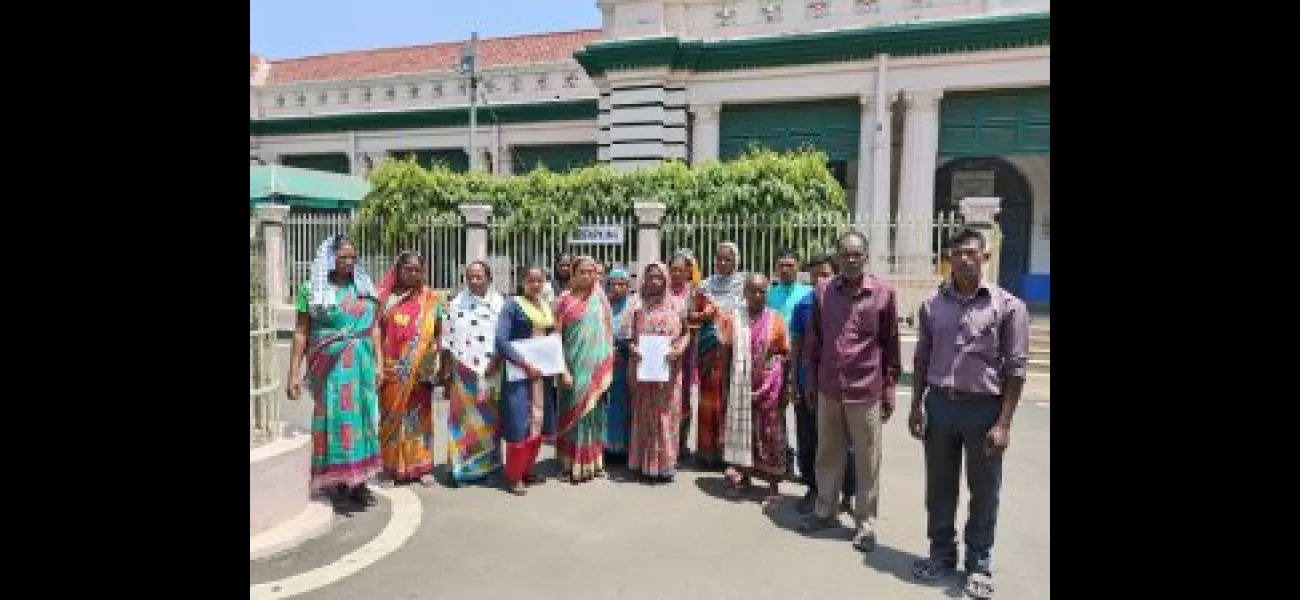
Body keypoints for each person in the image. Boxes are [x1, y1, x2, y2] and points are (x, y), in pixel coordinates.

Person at [908, 227, 1029, 600]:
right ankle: (941, 554)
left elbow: (1016, 369)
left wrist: (1004, 422)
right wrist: (916, 405)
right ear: (949, 257)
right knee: (940, 487)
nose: (963, 259)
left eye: (971, 253)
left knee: (984, 490)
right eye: (957, 253)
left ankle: (978, 563)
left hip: (984, 409)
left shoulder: (1008, 307)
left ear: (985, 257)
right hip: (940, 405)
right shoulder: (932, 305)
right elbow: (922, 358)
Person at [799, 231, 901, 556]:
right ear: (838, 257)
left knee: (868, 458)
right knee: (827, 452)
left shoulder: (883, 294)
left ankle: (865, 523)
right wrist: (811, 382)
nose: (851, 259)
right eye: (845, 254)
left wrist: (889, 390)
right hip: (829, 386)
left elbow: (891, 345)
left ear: (866, 257)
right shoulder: (823, 292)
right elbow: (814, 341)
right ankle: (825, 511)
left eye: (857, 254)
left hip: (866, 388)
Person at [286, 234, 382, 507]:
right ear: (329, 258)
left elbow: (374, 327)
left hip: (361, 365)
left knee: (363, 419)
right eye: (342, 257)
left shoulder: (364, 287)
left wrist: (379, 361)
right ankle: (336, 481)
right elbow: (301, 332)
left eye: (353, 257)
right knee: (334, 420)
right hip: (329, 367)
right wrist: (293, 373)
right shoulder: (311, 290)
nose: (348, 262)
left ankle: (359, 481)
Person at [789, 254, 855, 514]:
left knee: (845, 444)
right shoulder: (803, 306)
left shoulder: (847, 304)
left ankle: (848, 494)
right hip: (808, 385)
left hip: (840, 387)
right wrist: (794, 381)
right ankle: (813, 489)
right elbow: (796, 346)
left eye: (825, 274)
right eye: (815, 274)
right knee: (809, 440)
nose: (819, 279)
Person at [375, 251, 443, 487]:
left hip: (420, 369)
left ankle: (421, 466)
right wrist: (377, 364)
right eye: (408, 269)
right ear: (399, 270)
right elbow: (374, 332)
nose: (413, 274)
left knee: (419, 418)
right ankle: (388, 468)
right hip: (392, 369)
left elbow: (439, 332)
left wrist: (435, 364)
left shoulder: (431, 298)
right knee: (390, 418)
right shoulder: (384, 298)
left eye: (417, 270)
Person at [722, 273, 790, 500]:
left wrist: (782, 388)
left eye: (762, 291)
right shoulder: (734, 319)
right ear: (745, 293)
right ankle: (740, 476)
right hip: (740, 385)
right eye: (753, 290)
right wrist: (725, 386)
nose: (758, 295)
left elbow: (784, 353)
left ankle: (772, 483)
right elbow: (726, 354)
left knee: (770, 434)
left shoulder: (776, 319)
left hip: (768, 387)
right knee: (743, 433)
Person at [439, 261, 506, 486]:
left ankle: (489, 467)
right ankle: (462, 469)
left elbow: (504, 336)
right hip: (463, 372)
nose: (474, 281)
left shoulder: (499, 304)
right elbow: (447, 340)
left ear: (488, 278)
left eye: (479, 276)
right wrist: (447, 370)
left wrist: (497, 359)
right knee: (463, 421)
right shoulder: (456, 304)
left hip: (492, 370)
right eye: (470, 277)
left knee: (490, 420)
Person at [494, 265, 559, 495]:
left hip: (542, 374)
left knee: (538, 423)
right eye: (531, 280)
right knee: (519, 423)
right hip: (519, 374)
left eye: (539, 281)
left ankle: (528, 470)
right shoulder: (511, 305)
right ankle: (514, 476)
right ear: (521, 281)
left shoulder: (545, 306)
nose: (535, 285)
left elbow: (551, 336)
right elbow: (501, 340)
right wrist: (525, 364)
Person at [622, 261, 689, 482]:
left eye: (659, 277)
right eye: (650, 276)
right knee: (643, 414)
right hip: (643, 370)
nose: (654, 281)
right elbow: (629, 337)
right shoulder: (636, 304)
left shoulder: (678, 304)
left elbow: (687, 333)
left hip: (669, 370)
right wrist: (634, 350)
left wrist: (678, 349)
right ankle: (643, 463)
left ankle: (665, 465)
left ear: (666, 279)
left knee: (666, 415)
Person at [554, 256, 616, 483]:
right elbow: (556, 338)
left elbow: (609, 333)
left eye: (592, 272)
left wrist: (607, 362)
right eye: (583, 272)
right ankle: (570, 464)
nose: (588, 276)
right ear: (574, 273)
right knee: (573, 415)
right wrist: (563, 371)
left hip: (596, 367)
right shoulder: (563, 301)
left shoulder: (600, 300)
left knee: (593, 415)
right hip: (572, 366)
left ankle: (592, 462)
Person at [694, 241, 744, 469]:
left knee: (728, 400)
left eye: (728, 259)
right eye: (719, 258)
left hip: (732, 351)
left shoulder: (742, 286)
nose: (722, 263)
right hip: (708, 348)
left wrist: (726, 320)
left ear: (735, 261)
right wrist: (704, 316)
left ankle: (727, 453)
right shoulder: (704, 286)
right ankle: (706, 452)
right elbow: (692, 316)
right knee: (707, 401)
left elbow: (745, 317)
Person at [667, 250, 701, 462]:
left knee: (685, 396)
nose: (677, 274)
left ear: (688, 271)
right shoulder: (664, 291)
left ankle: (682, 443)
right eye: (674, 270)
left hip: (688, 351)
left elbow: (697, 322)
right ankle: (667, 441)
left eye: (681, 270)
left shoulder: (694, 292)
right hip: (665, 351)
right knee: (667, 396)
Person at [603, 268, 636, 461]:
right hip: (605, 362)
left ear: (627, 286)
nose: (617, 288)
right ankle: (607, 448)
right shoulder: (603, 305)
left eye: (621, 284)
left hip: (625, 363)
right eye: (613, 284)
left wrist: (623, 349)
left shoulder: (633, 307)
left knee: (624, 405)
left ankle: (623, 449)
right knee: (607, 406)